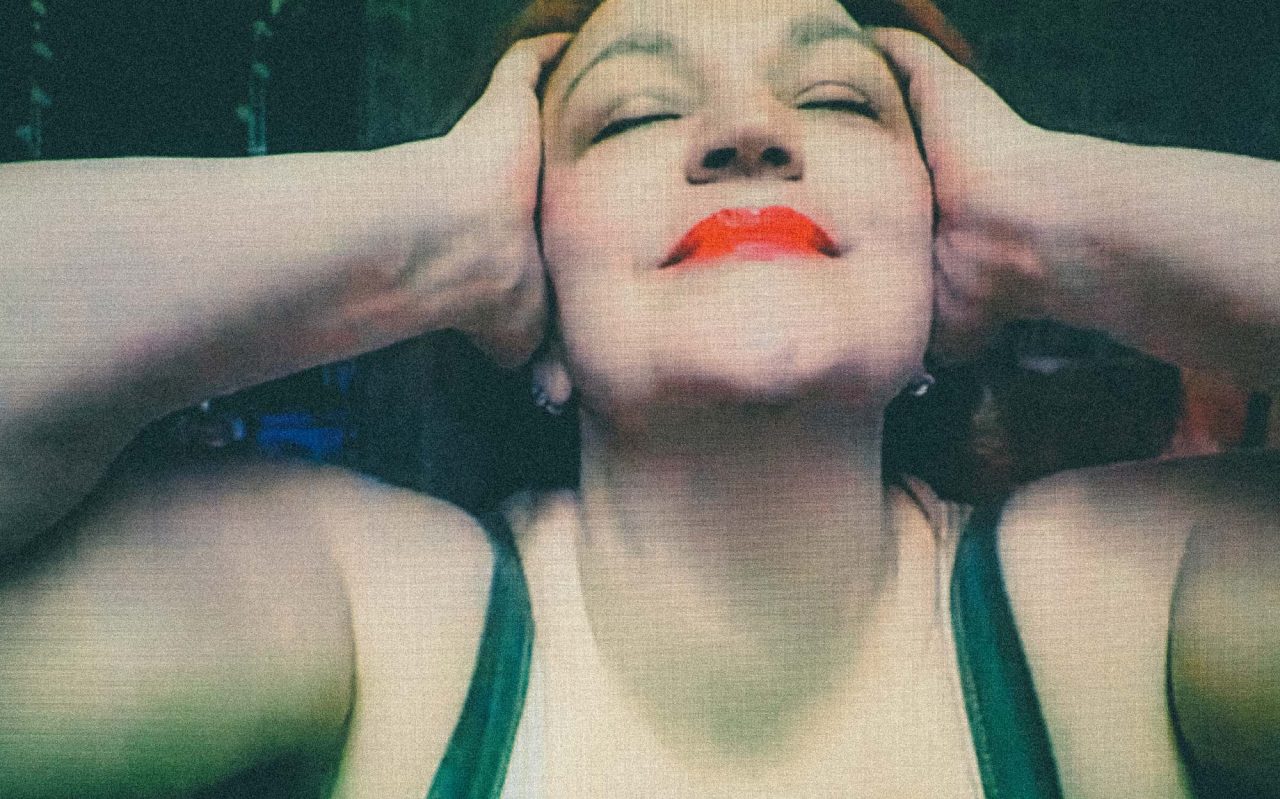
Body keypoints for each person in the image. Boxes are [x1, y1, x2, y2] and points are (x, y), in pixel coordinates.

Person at [1, 0, 1277, 796]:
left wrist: (1045, 209)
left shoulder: (1112, 602)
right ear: (519, 274)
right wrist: (424, 230)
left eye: (835, 99)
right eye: (628, 116)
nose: (744, 132)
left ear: (952, 258)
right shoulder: (378, 616)